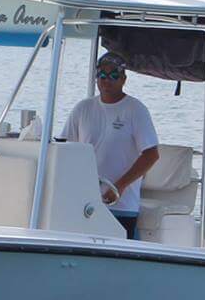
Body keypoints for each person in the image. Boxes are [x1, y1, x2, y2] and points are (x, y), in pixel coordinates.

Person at [62, 51, 159, 239]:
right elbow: (67, 149)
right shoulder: (83, 108)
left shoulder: (135, 110)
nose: (107, 80)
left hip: (122, 206)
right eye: (102, 75)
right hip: (85, 203)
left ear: (123, 79)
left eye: (113, 75)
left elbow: (151, 154)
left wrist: (119, 187)